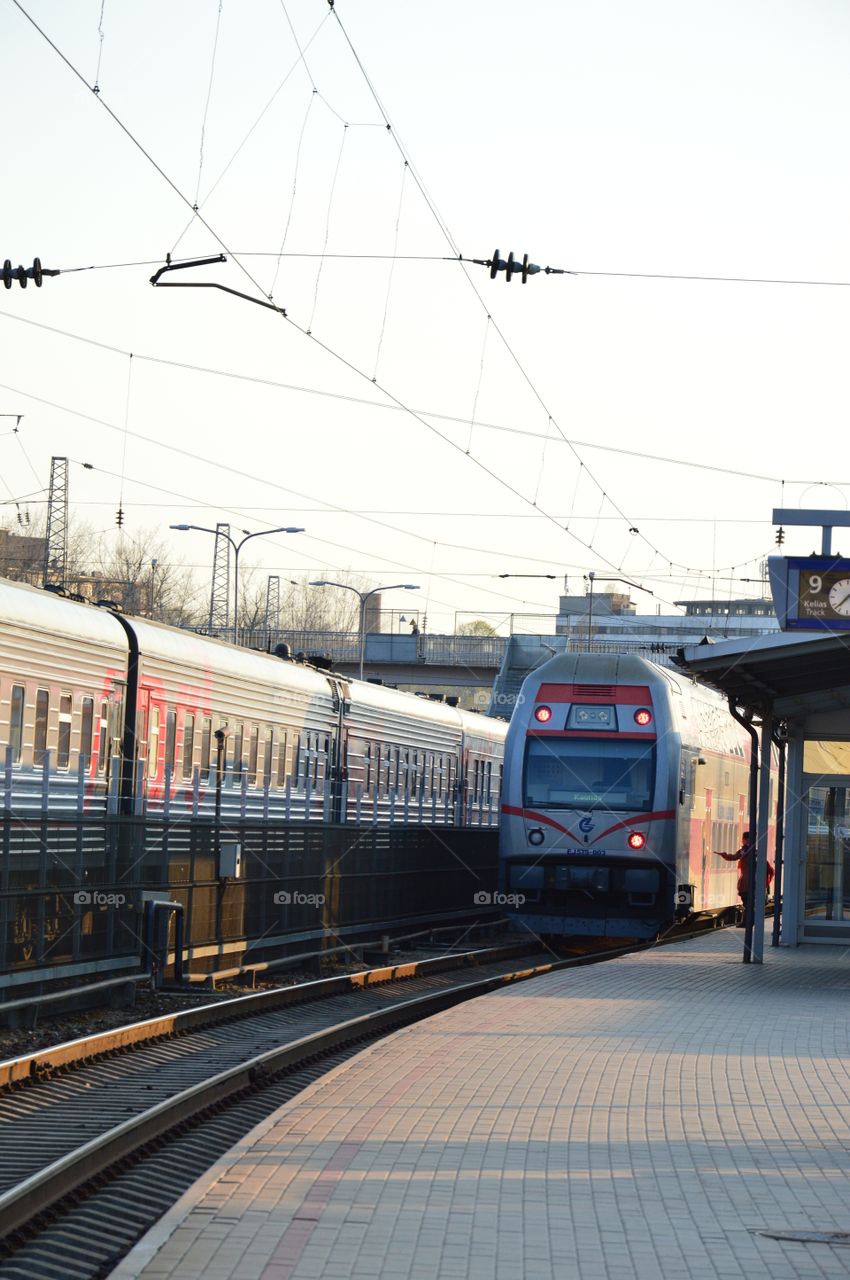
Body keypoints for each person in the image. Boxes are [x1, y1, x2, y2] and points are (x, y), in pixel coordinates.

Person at [717, 830, 774, 906]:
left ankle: (749, 912)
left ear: (745, 840)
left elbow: (734, 857)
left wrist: (724, 855)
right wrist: (766, 885)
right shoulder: (758, 852)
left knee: (748, 905)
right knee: (754, 905)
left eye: (743, 839)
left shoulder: (744, 850)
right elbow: (770, 870)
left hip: (746, 886)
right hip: (758, 886)